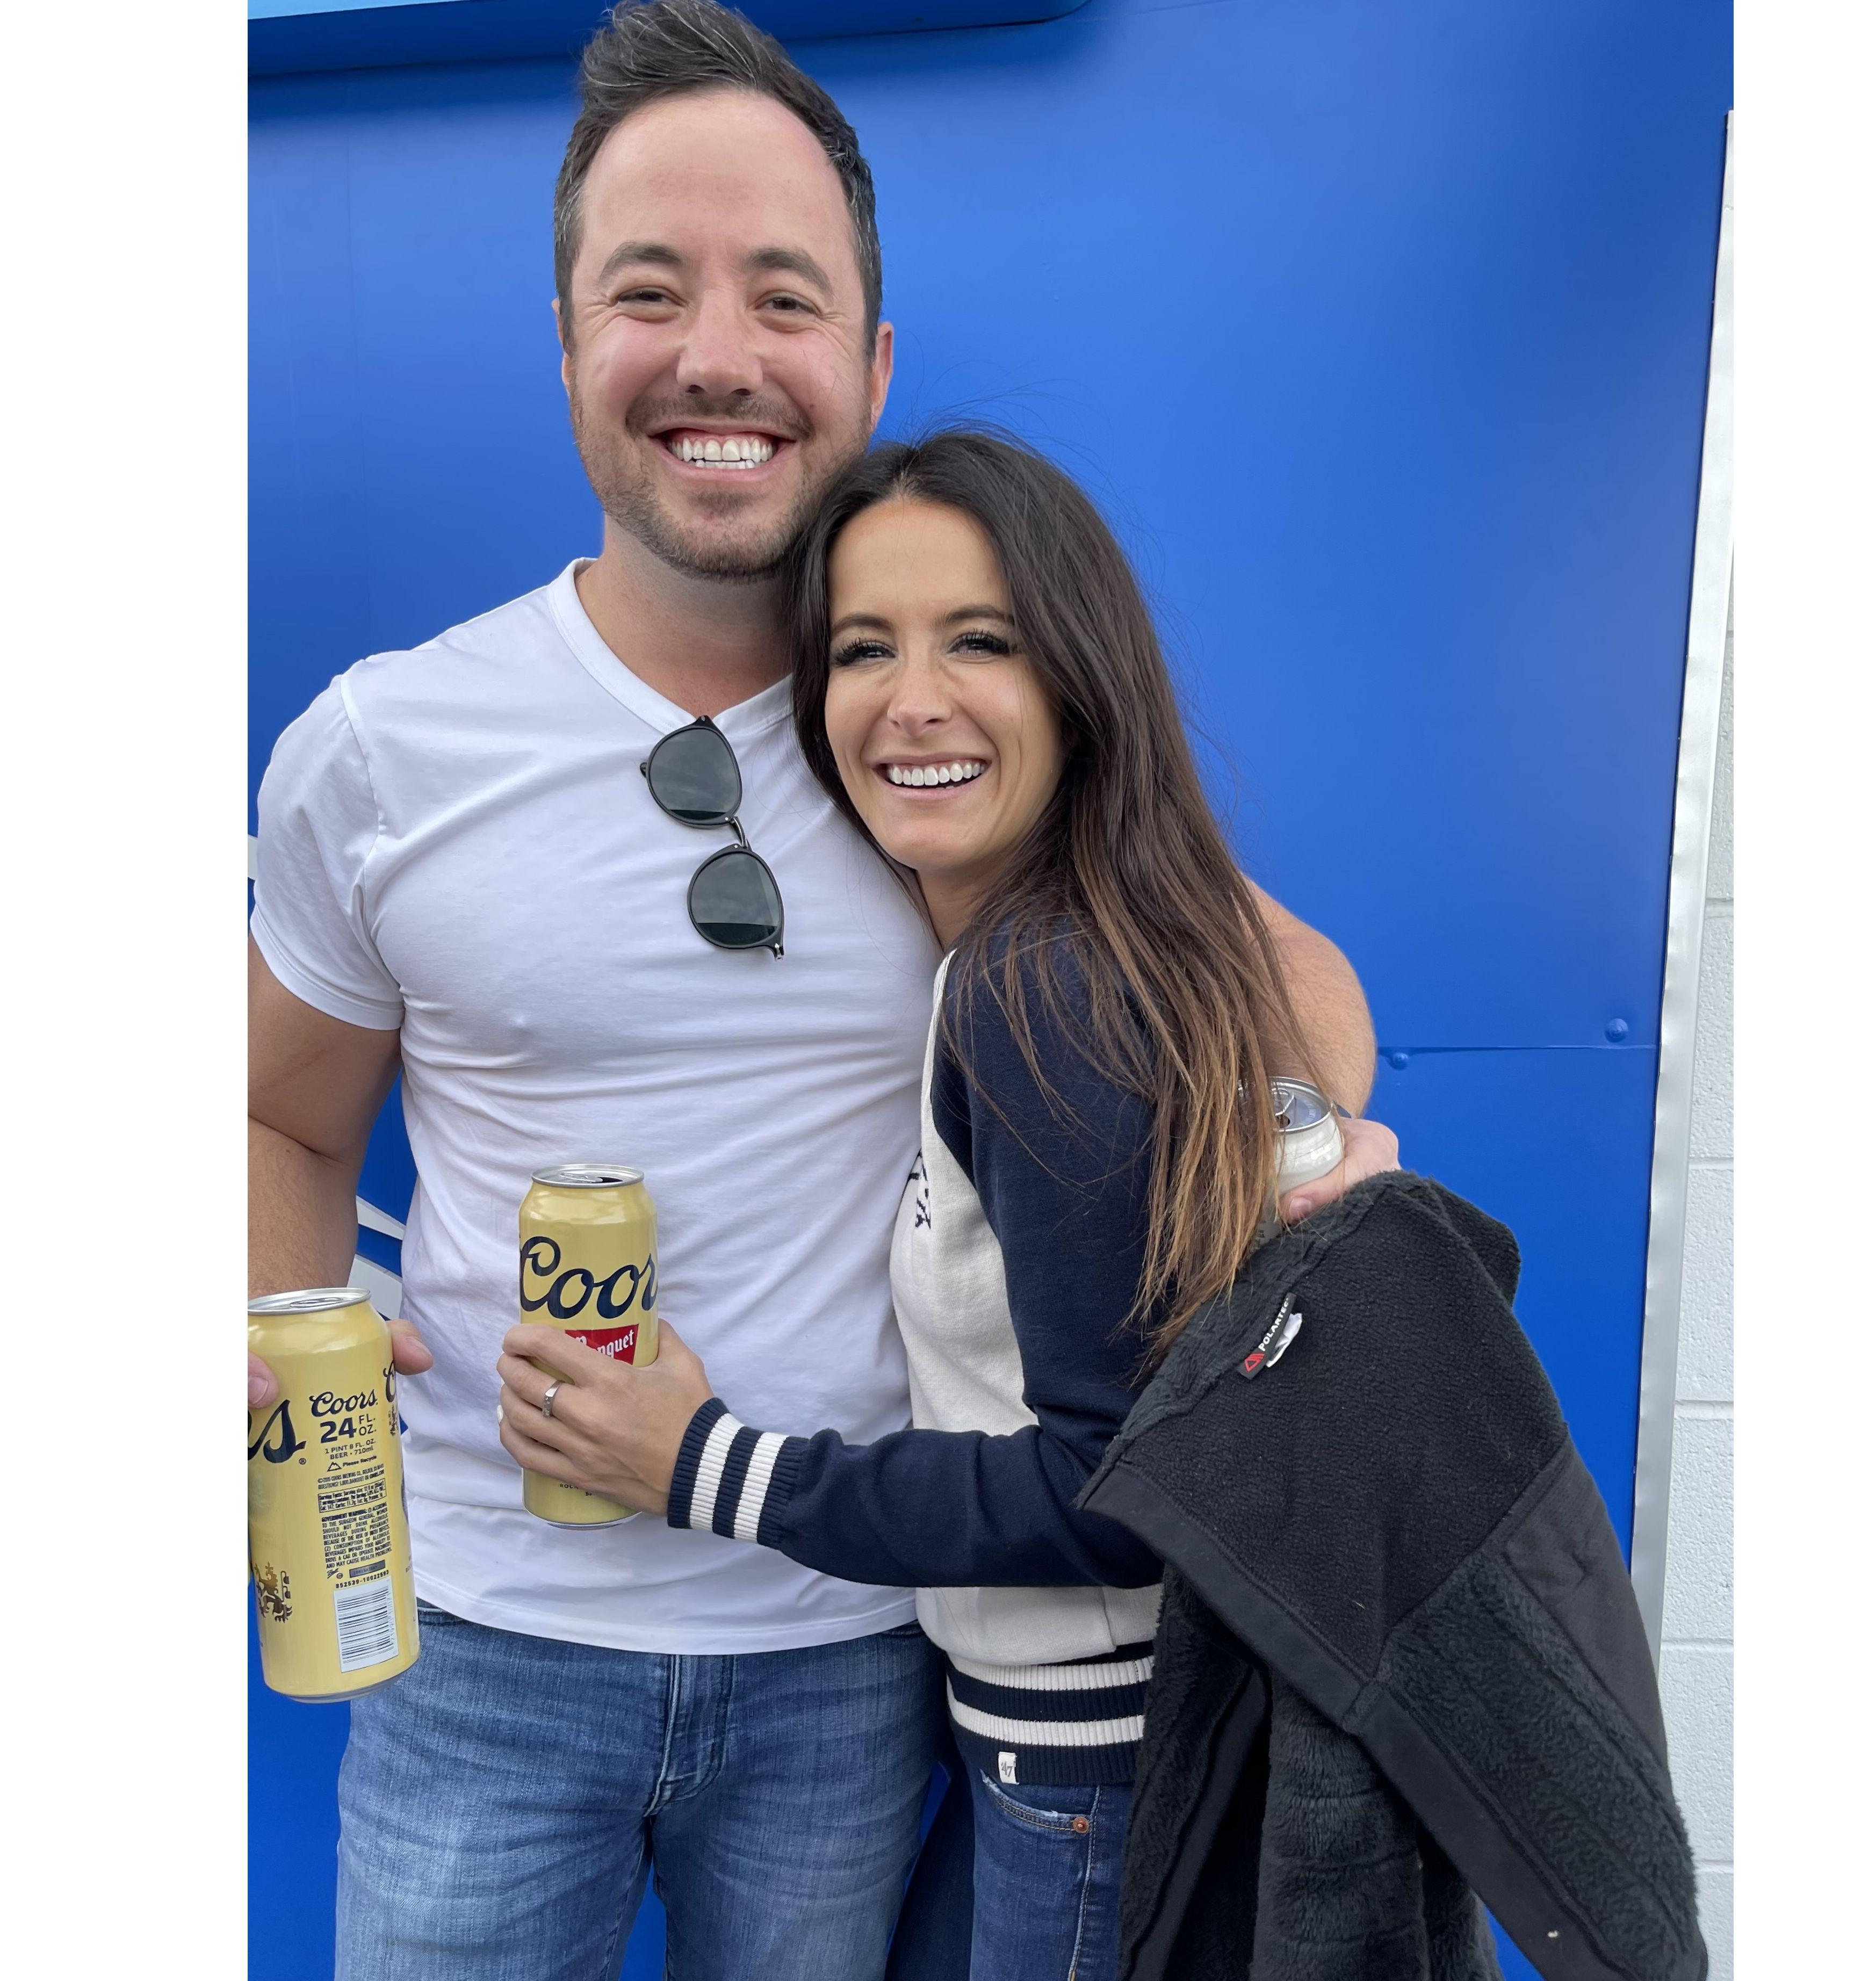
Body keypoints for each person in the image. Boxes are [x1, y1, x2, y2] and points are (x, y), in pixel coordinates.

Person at [248, 5, 1395, 1977]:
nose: (718, 354)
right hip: (483, 1644)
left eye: (784, 297)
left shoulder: (939, 733)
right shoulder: (380, 747)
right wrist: (262, 1338)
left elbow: (1291, 1011)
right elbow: (278, 1118)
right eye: (648, 293)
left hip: (852, 1657)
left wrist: (1296, 1153)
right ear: (567, 346)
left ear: (865, 361)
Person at [495, 429, 1343, 1979]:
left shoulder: (1039, 985)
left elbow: (1111, 1491)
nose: (915, 699)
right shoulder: (1086, 934)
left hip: (1096, 1770)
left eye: (983, 642)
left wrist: (702, 1465)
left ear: (1079, 682)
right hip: (1092, 1745)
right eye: (864, 649)